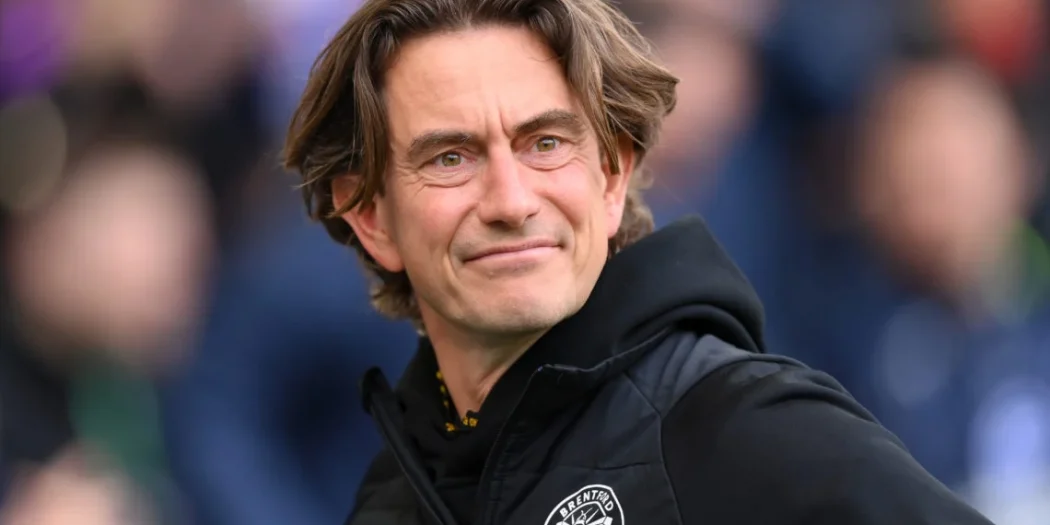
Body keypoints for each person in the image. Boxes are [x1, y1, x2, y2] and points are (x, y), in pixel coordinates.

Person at [281, 1, 996, 524]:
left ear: (613, 177)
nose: (511, 199)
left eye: (545, 144)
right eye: (450, 157)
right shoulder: (391, 500)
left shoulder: (741, 428)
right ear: (370, 214)